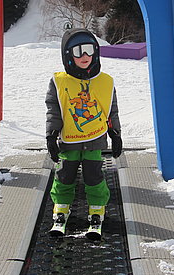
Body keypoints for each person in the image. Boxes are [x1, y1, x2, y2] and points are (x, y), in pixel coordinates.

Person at [45, 27, 122, 233]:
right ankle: (61, 207)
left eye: (89, 50)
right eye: (78, 52)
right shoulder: (59, 82)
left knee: (94, 176)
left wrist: (116, 134)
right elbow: (54, 110)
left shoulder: (105, 82)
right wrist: (51, 135)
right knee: (64, 175)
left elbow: (110, 110)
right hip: (69, 140)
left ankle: (97, 208)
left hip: (94, 140)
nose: (85, 56)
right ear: (68, 55)